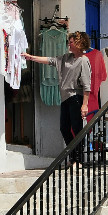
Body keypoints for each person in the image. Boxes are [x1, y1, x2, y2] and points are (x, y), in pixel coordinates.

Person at [23, 31, 91, 160]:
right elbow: (50, 60)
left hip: (76, 97)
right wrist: (31, 57)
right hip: (65, 98)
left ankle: (78, 159)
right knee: (64, 129)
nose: (68, 45)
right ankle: (73, 157)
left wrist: (84, 105)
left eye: (70, 42)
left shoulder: (83, 61)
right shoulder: (66, 57)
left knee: (77, 130)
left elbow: (87, 86)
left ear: (78, 43)